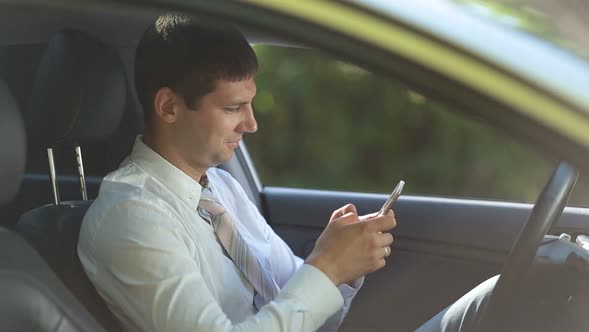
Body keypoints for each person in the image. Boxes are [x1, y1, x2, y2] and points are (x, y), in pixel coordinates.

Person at [78, 14, 494, 332]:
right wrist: (325, 269)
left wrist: (337, 265)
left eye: (250, 104)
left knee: (499, 297)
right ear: (169, 107)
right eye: (232, 108)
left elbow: (301, 309)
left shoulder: (220, 187)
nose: (252, 124)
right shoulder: (130, 219)